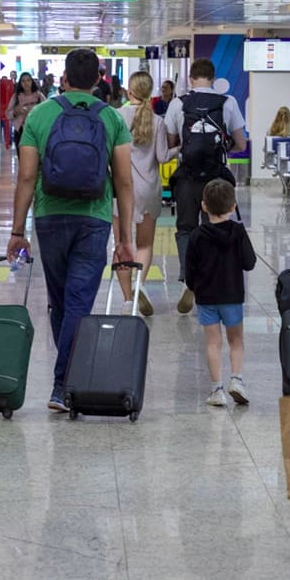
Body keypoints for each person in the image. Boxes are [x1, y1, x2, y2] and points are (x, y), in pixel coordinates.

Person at [6, 48, 135, 412]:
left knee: (60, 301)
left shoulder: (41, 115)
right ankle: (64, 383)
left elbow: (27, 176)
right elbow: (124, 182)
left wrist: (18, 231)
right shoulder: (111, 119)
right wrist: (125, 240)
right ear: (98, 80)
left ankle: (66, 379)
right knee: (78, 301)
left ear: (64, 77)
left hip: (50, 216)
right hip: (93, 219)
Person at [163, 58, 247, 314]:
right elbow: (241, 144)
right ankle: (212, 280)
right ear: (213, 78)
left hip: (187, 178)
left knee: (186, 229)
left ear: (190, 78)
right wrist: (222, 148)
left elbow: (171, 141)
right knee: (216, 228)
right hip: (217, 178)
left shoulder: (178, 103)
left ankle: (189, 277)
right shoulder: (228, 102)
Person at [183, 179, 255, 407]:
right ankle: (237, 379)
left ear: (204, 206)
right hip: (232, 295)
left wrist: (194, 288)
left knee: (213, 343)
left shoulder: (196, 235)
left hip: (207, 298)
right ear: (233, 206)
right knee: (236, 341)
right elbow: (249, 262)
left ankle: (217, 390)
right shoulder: (238, 232)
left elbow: (190, 271)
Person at [113, 71, 177, 316]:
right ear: (151, 93)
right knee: (144, 244)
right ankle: (140, 283)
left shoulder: (117, 116)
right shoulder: (158, 121)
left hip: (121, 188)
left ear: (129, 91)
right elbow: (162, 157)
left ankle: (127, 299)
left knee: (121, 244)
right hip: (149, 188)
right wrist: (179, 148)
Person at [5, 72, 45, 147]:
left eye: (28, 80)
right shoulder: (16, 97)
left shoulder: (39, 96)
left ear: (32, 82)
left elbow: (47, 111)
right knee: (22, 156)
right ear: (20, 83)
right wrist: (16, 111)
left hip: (37, 131)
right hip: (21, 131)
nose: (26, 83)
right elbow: (8, 114)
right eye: (23, 81)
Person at [0, 71, 17, 148]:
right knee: (3, 127)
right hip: (3, 109)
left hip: (8, 110)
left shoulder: (14, 86)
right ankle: (4, 142)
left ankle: (8, 142)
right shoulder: (5, 87)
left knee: (8, 127)